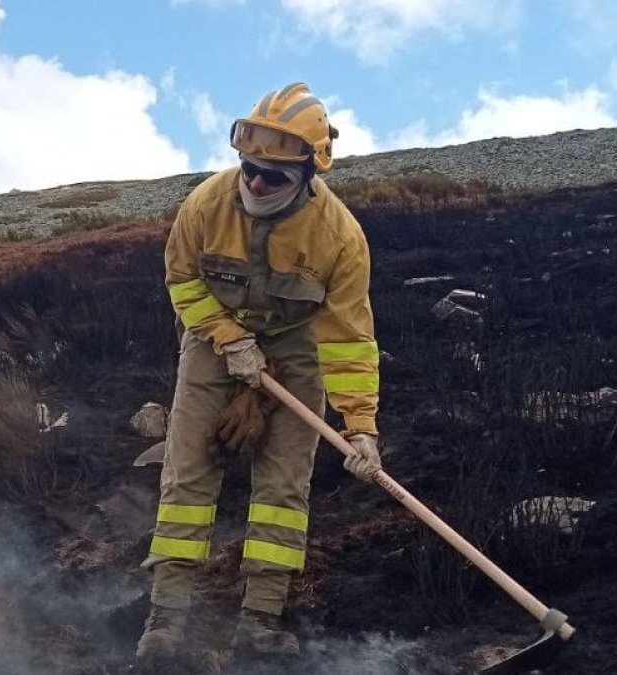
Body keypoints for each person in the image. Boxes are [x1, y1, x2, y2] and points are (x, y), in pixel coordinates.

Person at [137, 83, 382, 663]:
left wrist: (361, 427)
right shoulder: (205, 205)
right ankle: (165, 619)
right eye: (249, 168)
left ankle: (259, 621)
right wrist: (229, 340)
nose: (255, 183)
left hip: (298, 345)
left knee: (282, 485)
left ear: (308, 174)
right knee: (187, 475)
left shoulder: (339, 238)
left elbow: (348, 337)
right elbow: (183, 283)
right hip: (214, 336)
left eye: (273, 176)